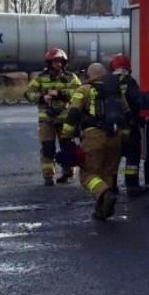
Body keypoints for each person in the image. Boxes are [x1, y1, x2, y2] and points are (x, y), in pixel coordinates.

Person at [61, 63, 123, 220]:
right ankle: (102, 210)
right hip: (116, 137)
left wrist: (66, 136)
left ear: (89, 75)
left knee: (88, 175)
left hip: (94, 137)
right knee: (107, 173)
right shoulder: (116, 91)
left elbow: (73, 114)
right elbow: (126, 113)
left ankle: (106, 194)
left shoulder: (83, 90)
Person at [23, 48, 81, 186]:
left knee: (67, 146)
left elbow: (79, 92)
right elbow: (28, 94)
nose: (58, 64)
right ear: (49, 63)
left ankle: (67, 174)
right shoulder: (41, 78)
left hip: (65, 119)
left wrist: (59, 93)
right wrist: (42, 97)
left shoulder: (70, 77)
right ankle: (48, 176)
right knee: (48, 148)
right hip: (46, 119)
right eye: (55, 62)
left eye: (60, 62)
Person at [108, 54, 146, 194]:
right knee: (132, 156)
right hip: (129, 126)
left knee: (113, 157)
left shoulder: (107, 81)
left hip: (111, 128)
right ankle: (132, 186)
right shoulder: (129, 81)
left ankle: (111, 186)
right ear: (128, 67)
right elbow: (137, 100)